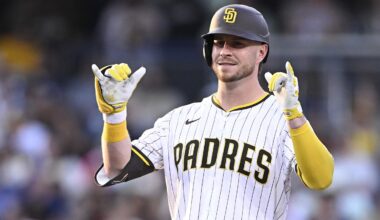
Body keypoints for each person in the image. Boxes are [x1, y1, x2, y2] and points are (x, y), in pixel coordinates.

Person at [92, 4, 334, 220]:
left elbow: (321, 179)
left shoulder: (282, 119)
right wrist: (114, 116)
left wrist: (294, 114)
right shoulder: (178, 120)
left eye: (237, 43)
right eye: (219, 43)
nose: (225, 50)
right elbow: (117, 168)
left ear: (261, 52)